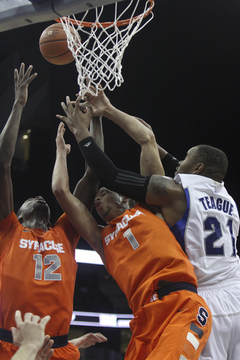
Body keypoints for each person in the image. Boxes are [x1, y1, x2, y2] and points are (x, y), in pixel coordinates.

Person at [62, 89, 240, 360]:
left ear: (198, 168)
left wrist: (86, 128)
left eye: (185, 159)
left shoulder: (168, 197)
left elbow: (112, 171)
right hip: (232, 290)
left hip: (200, 298)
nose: (177, 163)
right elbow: (150, 141)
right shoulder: (227, 199)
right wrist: (105, 114)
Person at [0, 64, 106, 360]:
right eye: (29, 198)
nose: (37, 195)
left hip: (59, 348)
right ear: (17, 215)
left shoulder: (65, 231)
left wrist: (93, 123)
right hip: (10, 345)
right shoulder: (9, 231)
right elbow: (2, 164)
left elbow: (94, 175)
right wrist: (19, 104)